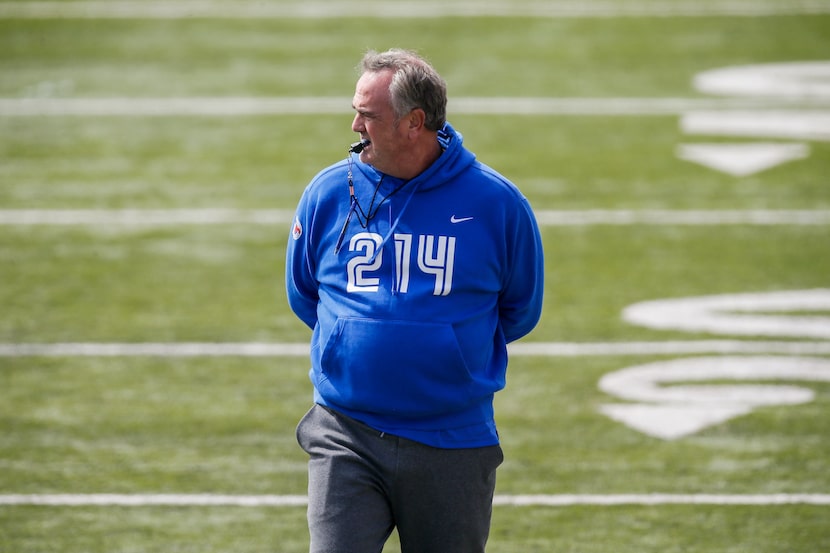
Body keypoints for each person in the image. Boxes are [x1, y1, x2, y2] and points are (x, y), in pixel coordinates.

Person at [285, 48, 544, 553]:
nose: (355, 124)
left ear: (414, 123)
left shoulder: (497, 204)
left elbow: (520, 308)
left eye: (369, 114)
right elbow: (304, 293)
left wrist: (443, 349)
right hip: (346, 434)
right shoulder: (328, 193)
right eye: (355, 109)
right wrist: (353, 341)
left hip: (451, 440)